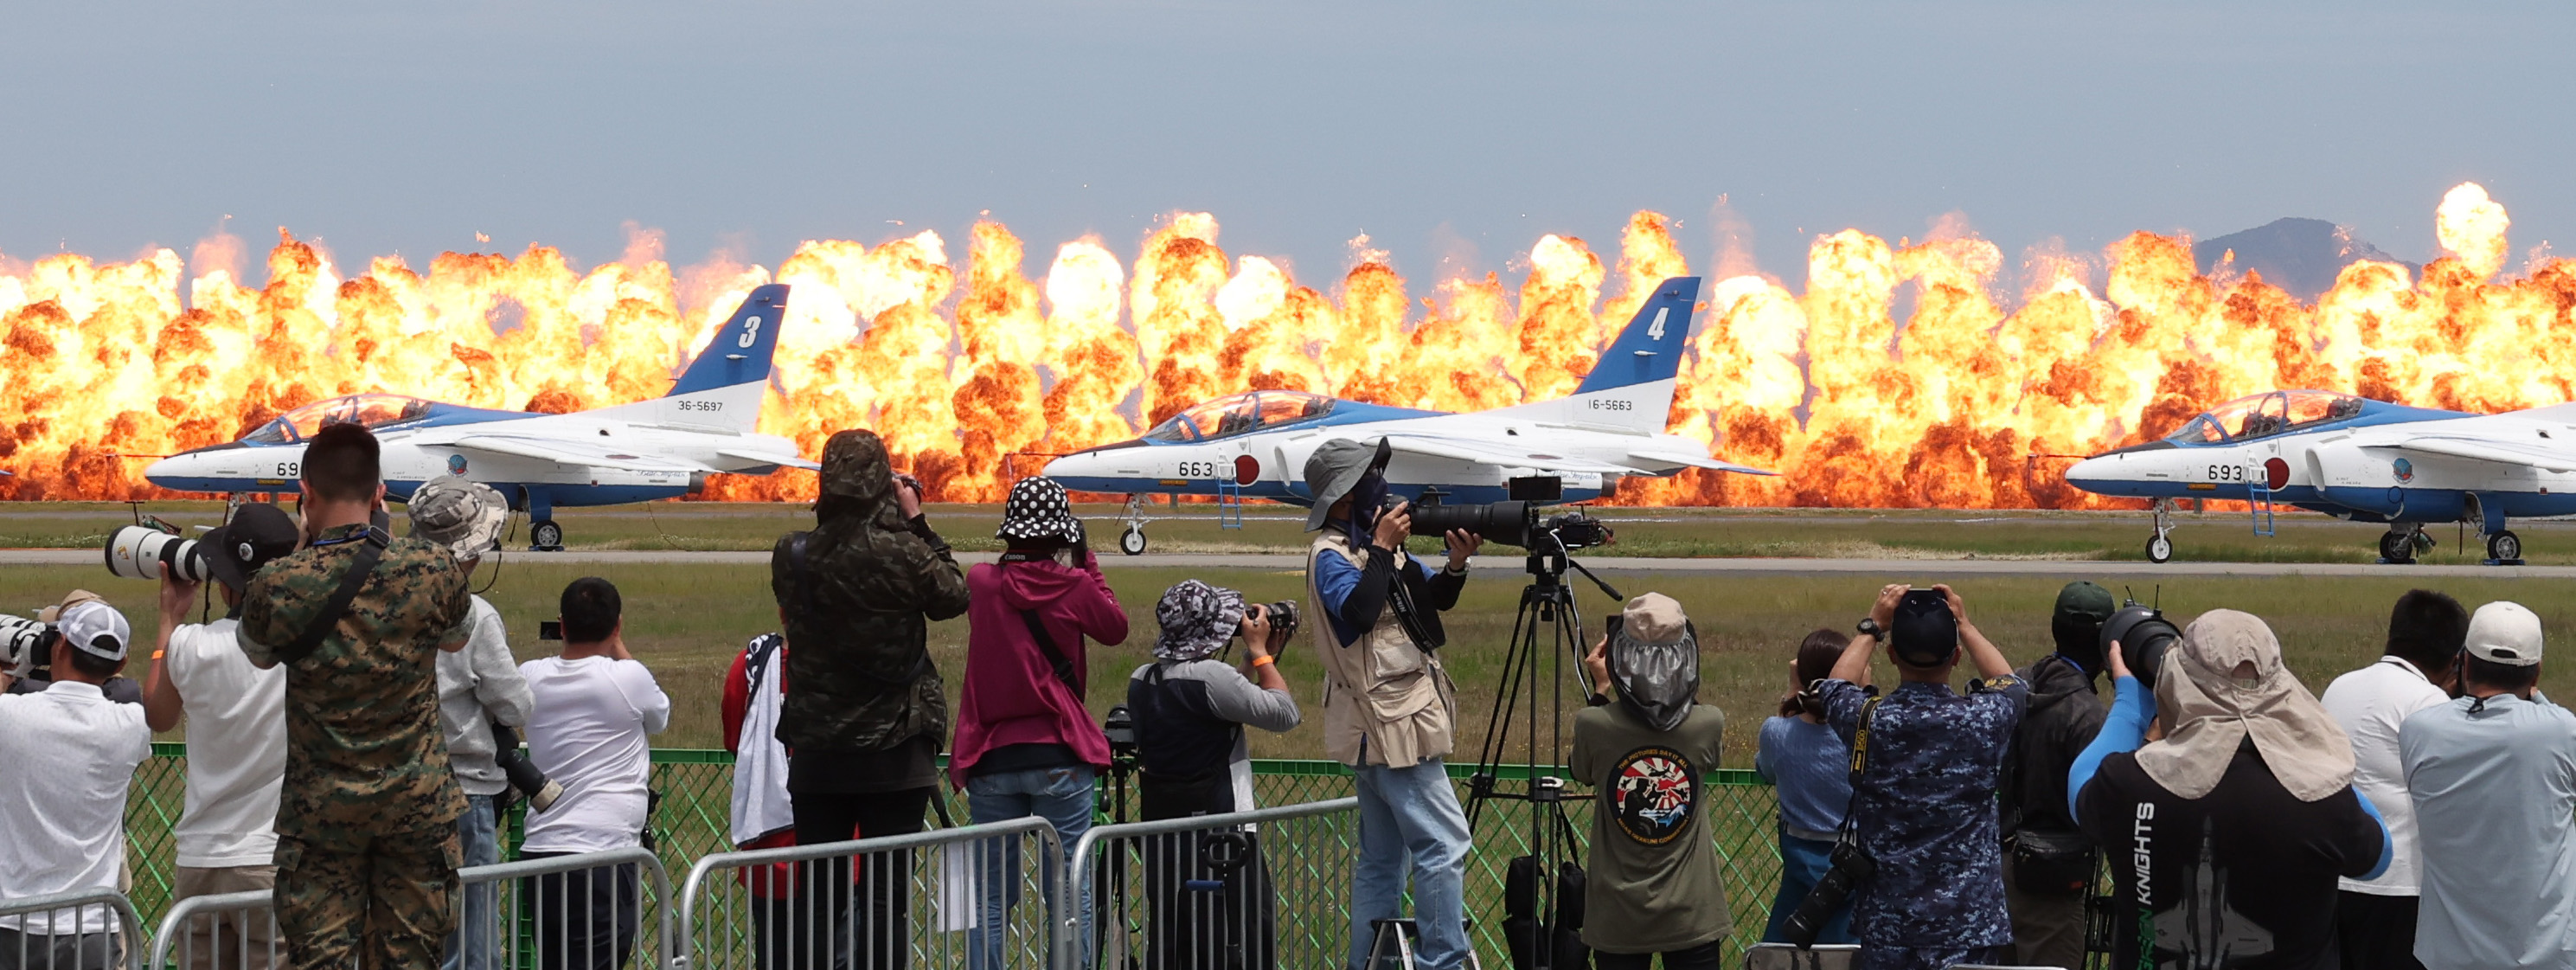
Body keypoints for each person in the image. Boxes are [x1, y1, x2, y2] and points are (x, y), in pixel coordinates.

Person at [235, 422, 476, 970]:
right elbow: (458, 638)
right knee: (412, 958)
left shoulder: (278, 583)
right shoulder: (432, 570)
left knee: (321, 960)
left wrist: (303, 553)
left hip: (321, 814)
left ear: (306, 494)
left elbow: (257, 652)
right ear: (378, 494)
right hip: (417, 807)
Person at [2071, 609, 2391, 969]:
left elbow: (2080, 786)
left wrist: (2132, 701)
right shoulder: (2322, 799)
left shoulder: (2130, 783)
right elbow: (2379, 857)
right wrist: (2314, 760)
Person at [770, 429, 970, 970]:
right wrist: (916, 520)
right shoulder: (903, 552)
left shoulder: (793, 554)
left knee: (820, 899)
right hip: (894, 753)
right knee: (886, 899)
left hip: (819, 755)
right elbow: (953, 594)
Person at [1298, 439, 1481, 970]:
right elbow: (1356, 613)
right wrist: (1379, 549)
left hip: (1389, 723)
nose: (1379, 485)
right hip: (1384, 726)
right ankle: (1442, 961)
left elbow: (1431, 599)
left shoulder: (1381, 549)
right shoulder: (1331, 557)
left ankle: (1368, 964)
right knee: (1445, 844)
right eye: (1366, 479)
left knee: (1383, 861)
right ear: (1340, 500)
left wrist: (1455, 565)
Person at [952, 475, 1127, 970]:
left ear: (1010, 532)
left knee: (989, 896)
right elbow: (1115, 627)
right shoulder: (1073, 587)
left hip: (991, 755)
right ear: (1061, 534)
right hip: (1058, 752)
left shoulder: (981, 583)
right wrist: (1086, 560)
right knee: (1070, 892)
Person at [1815, 583, 2024, 970]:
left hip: (1889, 927)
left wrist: (1872, 625)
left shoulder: (1869, 720)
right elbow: (2011, 687)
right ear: (1957, 656)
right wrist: (1966, 624)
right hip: (1967, 927)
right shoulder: (1982, 720)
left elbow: (1833, 688)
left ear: (1892, 655)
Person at [142, 504, 298, 970]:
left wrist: (169, 620)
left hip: (201, 855)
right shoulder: (302, 647)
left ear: (225, 580)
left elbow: (159, 714)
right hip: (268, 854)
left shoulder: (191, 645)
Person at [1127, 580, 1301, 970]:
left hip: (1166, 832)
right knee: (1242, 931)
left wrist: (1247, 662)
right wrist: (1261, 655)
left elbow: (1214, 701)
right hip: (1225, 831)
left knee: (1181, 933)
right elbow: (1285, 714)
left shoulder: (1143, 678)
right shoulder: (1209, 677)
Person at [2400, 601, 2576, 970]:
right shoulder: (2561, 731)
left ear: (2463, 662)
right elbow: (2547, 717)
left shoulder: (2419, 730)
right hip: (2547, 955)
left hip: (2447, 955)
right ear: (2537, 671)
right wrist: (2535, 693)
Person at [1570, 593, 1731, 970]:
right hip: (1693, 910)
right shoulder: (1708, 723)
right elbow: (1696, 738)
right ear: (1686, 657)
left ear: (1619, 656)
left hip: (1617, 913)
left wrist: (1601, 690)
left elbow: (1581, 771)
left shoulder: (1593, 723)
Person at [518, 577, 670, 970]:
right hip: (604, 850)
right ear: (616, 625)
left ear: (561, 625)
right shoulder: (628, 677)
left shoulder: (530, 675)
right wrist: (619, 647)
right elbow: (659, 718)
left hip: (543, 850)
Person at [411, 478, 532, 970]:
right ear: (474, 551)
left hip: (398, 790)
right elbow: (516, 705)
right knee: (473, 939)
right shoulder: (475, 615)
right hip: (466, 795)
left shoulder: (384, 603)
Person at [2320, 590, 2469, 970]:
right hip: (2399, 886)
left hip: (2332, 878)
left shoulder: (2340, 686)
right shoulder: (2430, 705)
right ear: (2455, 661)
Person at [0, 600, 151, 970]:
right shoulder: (131, 725)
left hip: (12, 918)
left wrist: (9, 671)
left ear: (60, 645)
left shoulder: (11, 714)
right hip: (92, 924)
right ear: (120, 664)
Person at [1997, 580, 2114, 969]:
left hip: (1997, 865)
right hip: (2052, 879)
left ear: (2054, 628)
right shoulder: (2089, 717)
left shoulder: (2017, 683)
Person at [721, 630, 844, 970]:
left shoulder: (749, 665)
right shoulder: (855, 660)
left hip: (772, 849)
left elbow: (737, 741)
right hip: (843, 848)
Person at [1755, 629, 1855, 946]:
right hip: (1855, 867)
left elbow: (1765, 770)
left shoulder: (1776, 733)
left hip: (1799, 870)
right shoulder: (1863, 737)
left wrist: (1793, 690)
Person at [7, 590, 144, 703]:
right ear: (121, 663)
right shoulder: (128, 700)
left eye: (53, 636)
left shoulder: (28, 697)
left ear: (62, 643)